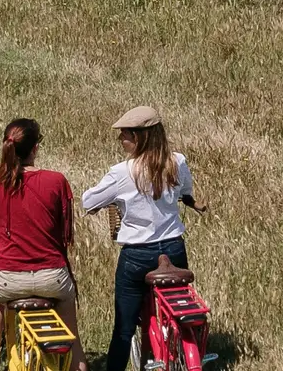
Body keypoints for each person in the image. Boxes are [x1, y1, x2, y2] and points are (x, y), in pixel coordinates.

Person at [0, 119, 83, 371]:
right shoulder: (56, 181)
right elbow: (64, 226)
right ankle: (76, 363)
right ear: (35, 148)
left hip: (8, 280)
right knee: (73, 342)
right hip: (52, 277)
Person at [81, 106, 201, 371]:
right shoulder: (177, 161)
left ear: (139, 137)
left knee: (124, 328)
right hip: (174, 249)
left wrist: (107, 202)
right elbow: (187, 191)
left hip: (137, 253)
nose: (119, 139)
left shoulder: (123, 171)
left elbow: (88, 201)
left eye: (123, 134)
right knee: (176, 310)